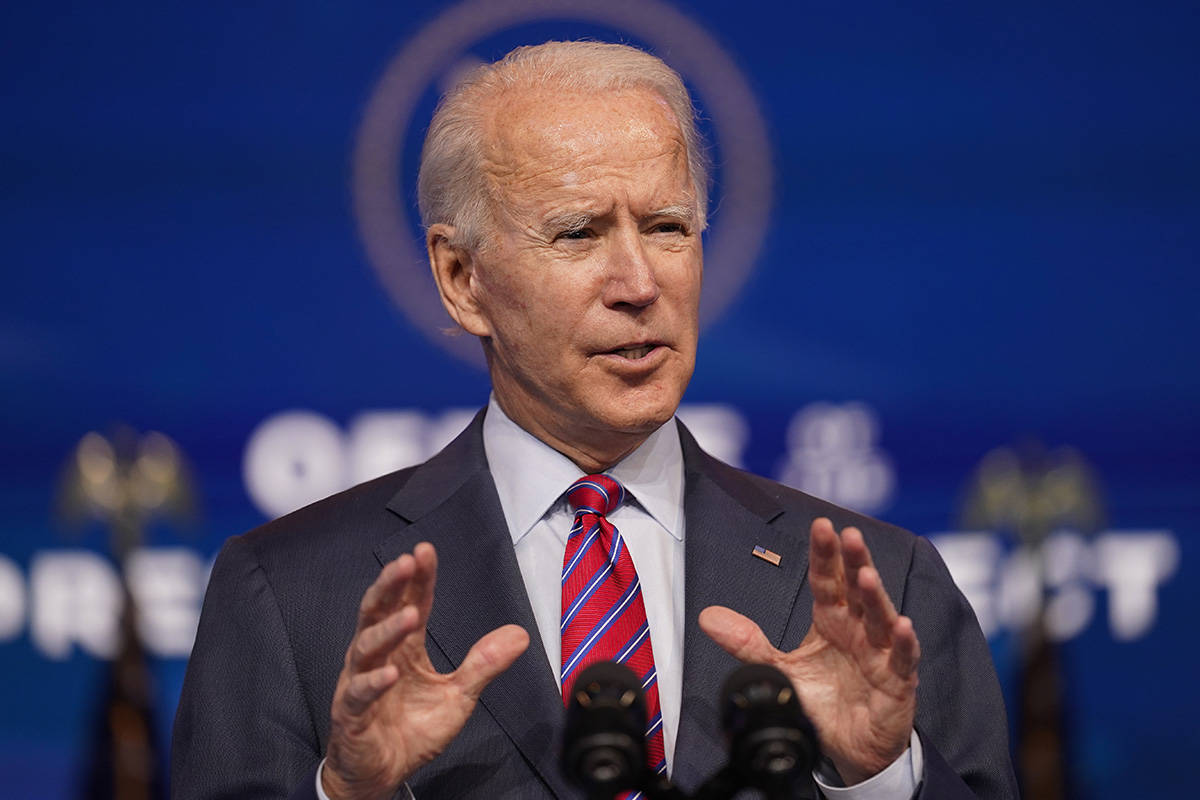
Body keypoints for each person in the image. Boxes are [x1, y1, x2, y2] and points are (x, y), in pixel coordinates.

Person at [171, 41, 1018, 800]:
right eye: (578, 234)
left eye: (667, 227)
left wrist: (879, 776)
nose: (638, 281)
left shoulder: (884, 588)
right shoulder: (288, 595)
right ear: (462, 278)